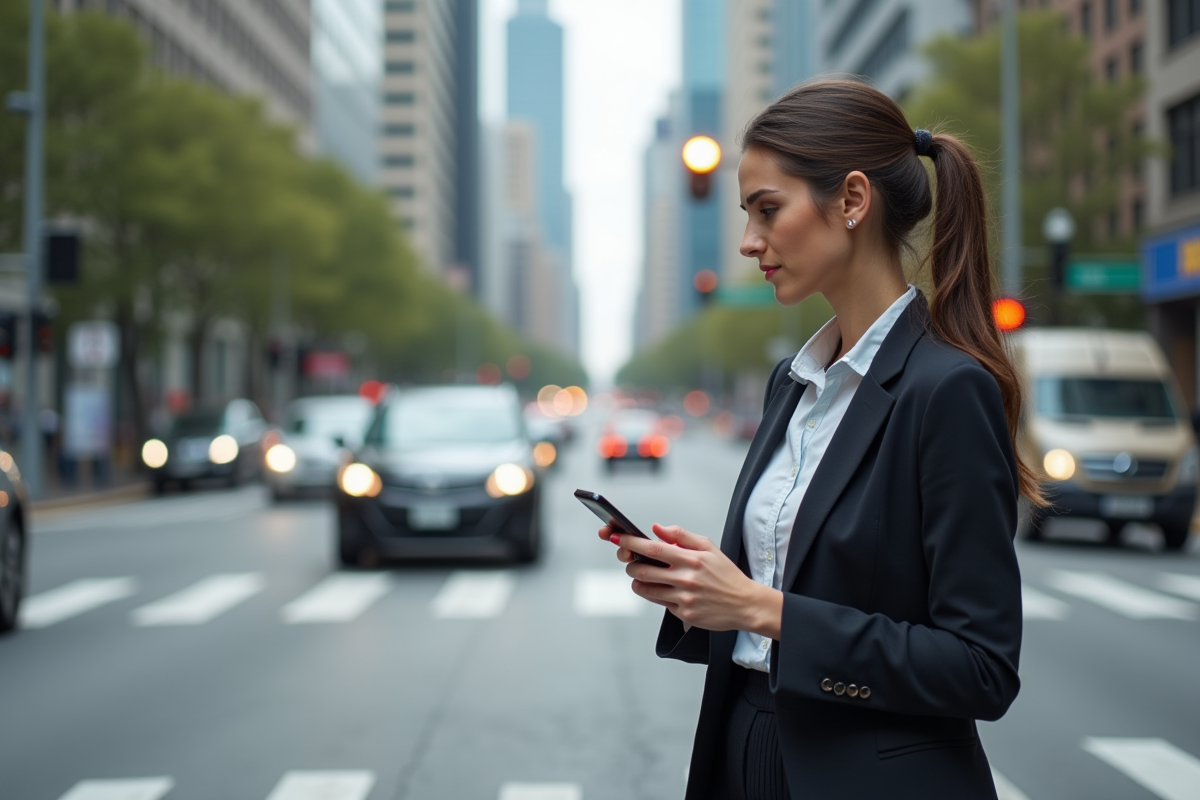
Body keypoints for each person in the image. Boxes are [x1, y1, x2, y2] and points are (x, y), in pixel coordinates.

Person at [600, 79, 1038, 799]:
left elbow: (981, 668)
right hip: (744, 754)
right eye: (746, 214)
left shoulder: (947, 391)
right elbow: (787, 596)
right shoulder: (792, 382)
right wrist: (702, 590)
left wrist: (758, 608)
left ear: (853, 200)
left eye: (767, 210)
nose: (748, 242)